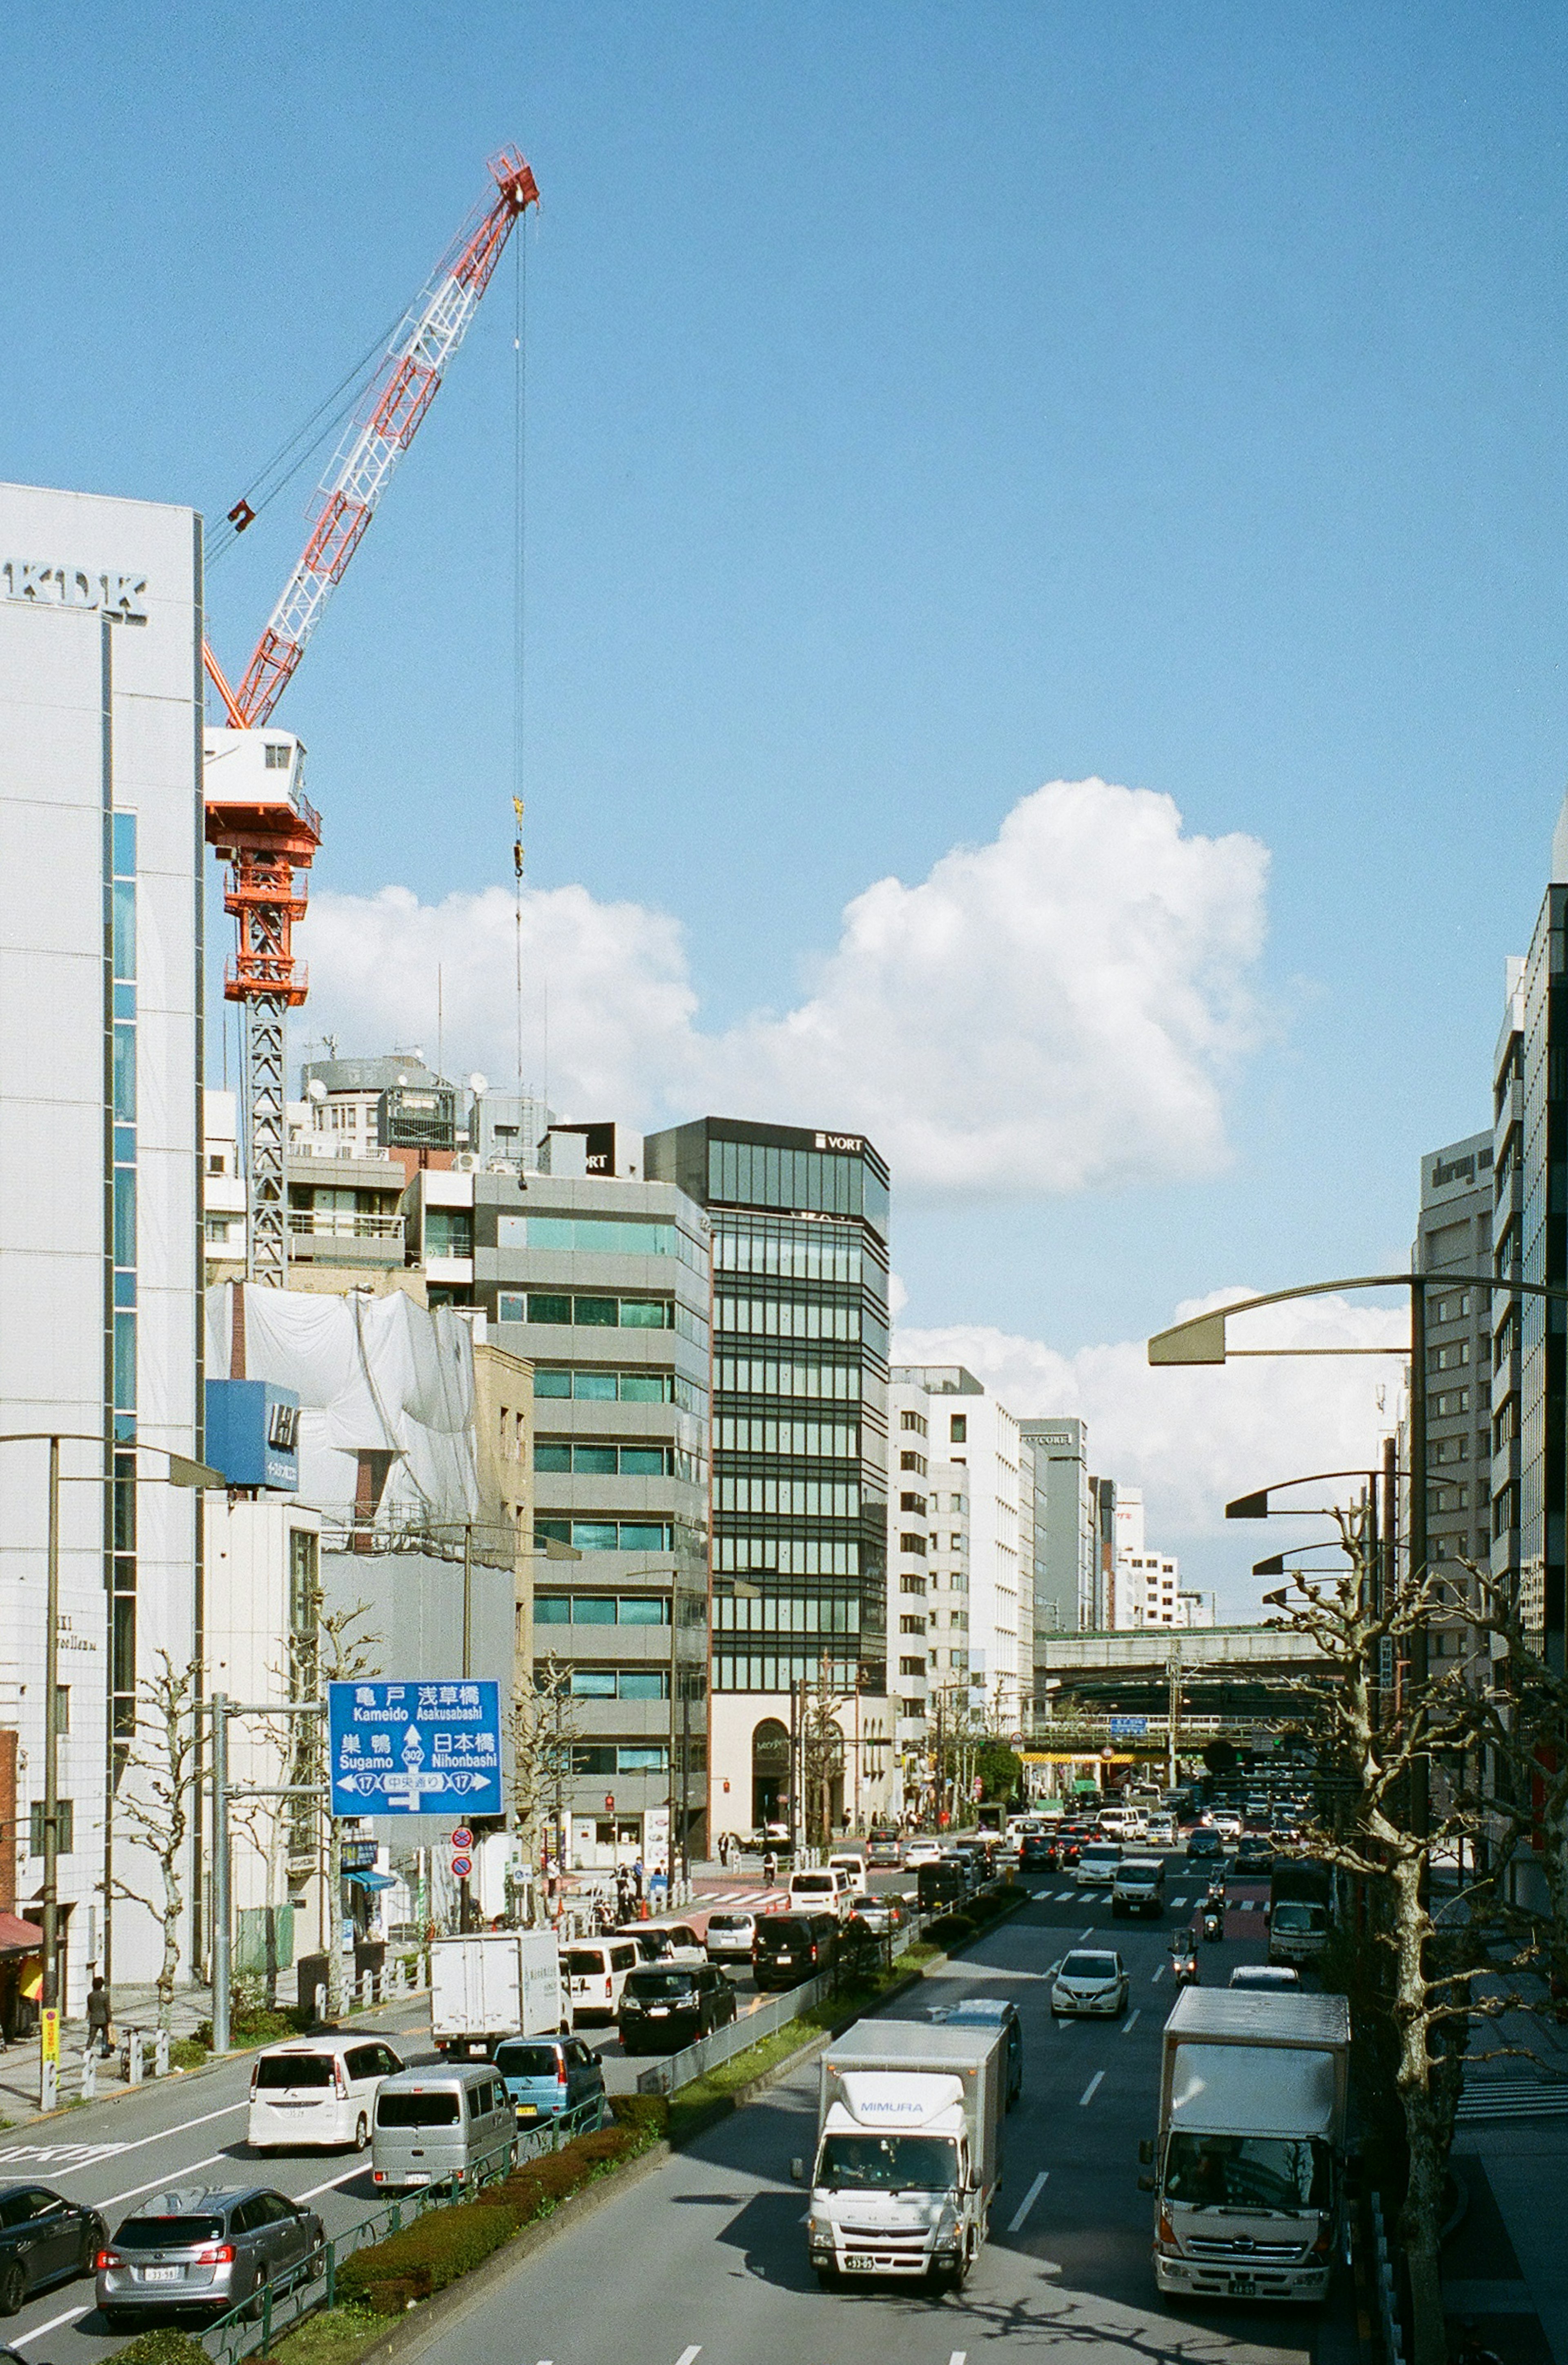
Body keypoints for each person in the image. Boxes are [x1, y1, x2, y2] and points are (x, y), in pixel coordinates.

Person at [86, 1976, 111, 2058]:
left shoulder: (90, 1996)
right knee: (105, 2036)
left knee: (92, 2036)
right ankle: (105, 2052)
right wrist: (110, 2020)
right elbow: (108, 2009)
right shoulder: (105, 1996)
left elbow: (90, 2008)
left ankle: (88, 2050)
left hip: (94, 2018)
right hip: (104, 2019)